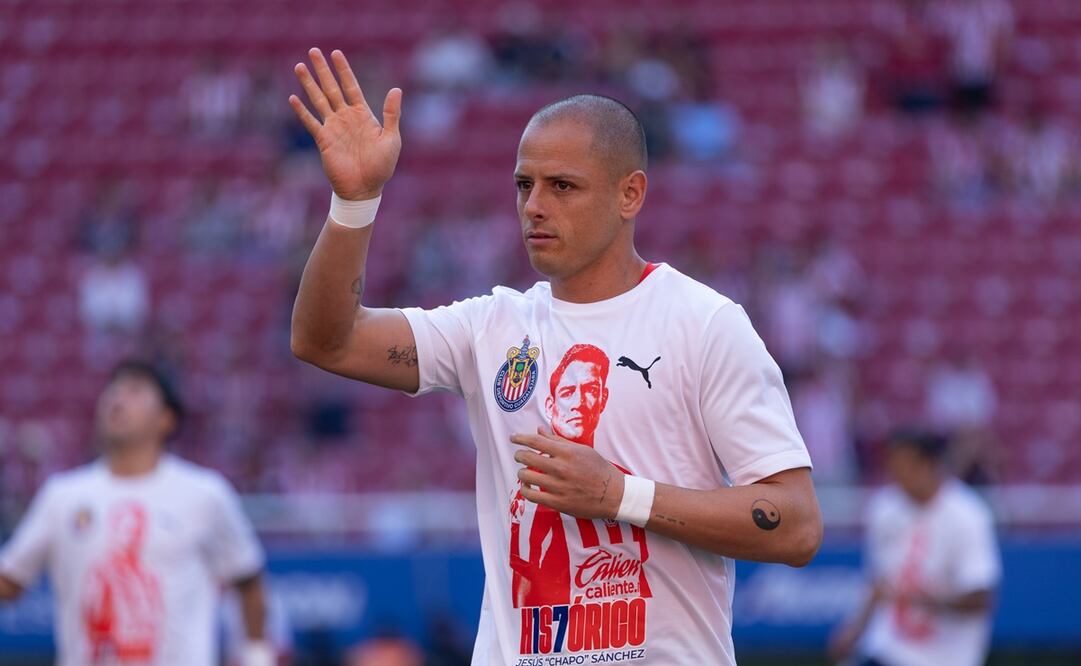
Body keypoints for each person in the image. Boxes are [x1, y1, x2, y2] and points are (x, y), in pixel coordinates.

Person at [287, 48, 822, 664]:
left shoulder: (705, 324)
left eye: (562, 186)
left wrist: (621, 496)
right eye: (524, 185)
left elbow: (797, 524)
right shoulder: (491, 326)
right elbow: (324, 341)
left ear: (630, 194)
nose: (534, 205)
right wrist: (355, 203)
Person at [0, 360, 274, 666]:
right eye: (113, 390)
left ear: (166, 419)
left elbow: (248, 579)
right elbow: (10, 580)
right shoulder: (62, 496)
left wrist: (257, 656)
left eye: (135, 390)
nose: (118, 398)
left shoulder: (205, 494)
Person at [829, 430, 1001, 666]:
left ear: (929, 465)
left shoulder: (968, 514)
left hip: (946, 656)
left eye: (905, 465)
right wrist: (856, 627)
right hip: (887, 647)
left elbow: (981, 596)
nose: (896, 474)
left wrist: (927, 600)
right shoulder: (884, 508)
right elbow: (879, 581)